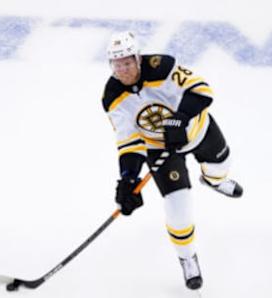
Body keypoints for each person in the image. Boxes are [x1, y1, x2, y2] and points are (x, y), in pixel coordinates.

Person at [101, 31, 243, 291]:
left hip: (199, 131)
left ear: (138, 58)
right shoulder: (112, 96)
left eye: (127, 62)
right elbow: (129, 141)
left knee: (222, 168)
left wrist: (180, 117)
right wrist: (128, 179)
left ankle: (213, 181)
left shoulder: (162, 66)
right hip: (161, 151)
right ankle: (188, 258)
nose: (122, 69)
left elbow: (202, 91)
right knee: (178, 211)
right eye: (116, 63)